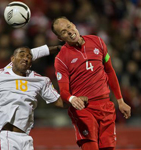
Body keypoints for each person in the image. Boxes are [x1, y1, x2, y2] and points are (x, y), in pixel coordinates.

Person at [51, 16, 131, 150]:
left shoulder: (98, 42)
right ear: (60, 39)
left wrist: (120, 101)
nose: (69, 31)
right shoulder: (61, 59)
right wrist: (72, 98)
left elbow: (110, 71)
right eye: (63, 32)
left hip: (106, 105)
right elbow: (64, 91)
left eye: (69, 26)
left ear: (74, 25)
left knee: (108, 148)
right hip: (84, 109)